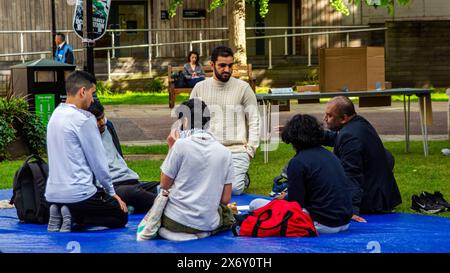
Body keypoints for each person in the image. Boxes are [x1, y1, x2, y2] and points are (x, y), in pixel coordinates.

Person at [45, 71, 128, 232]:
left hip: (52, 194)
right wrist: (112, 193)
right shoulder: (85, 119)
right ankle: (73, 214)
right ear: (83, 91)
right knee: (120, 215)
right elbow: (99, 163)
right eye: (92, 93)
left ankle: (62, 211)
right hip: (79, 194)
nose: (93, 99)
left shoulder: (55, 115)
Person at [250, 114, 353, 234]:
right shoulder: (330, 155)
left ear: (291, 138)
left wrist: (283, 199)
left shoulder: (298, 162)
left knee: (255, 204)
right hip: (344, 222)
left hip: (323, 223)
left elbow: (295, 205)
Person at [158, 98, 235, 241]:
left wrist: (171, 148)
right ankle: (204, 232)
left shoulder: (180, 146)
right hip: (207, 222)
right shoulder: (225, 152)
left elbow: (164, 184)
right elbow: (225, 199)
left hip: (175, 220)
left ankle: (170, 233)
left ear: (184, 121)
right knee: (227, 215)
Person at [190, 46, 260, 195]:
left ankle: (241, 178)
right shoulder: (199, 87)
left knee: (233, 189)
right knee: (199, 189)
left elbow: (254, 120)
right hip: (207, 150)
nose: (227, 69)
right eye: (222, 65)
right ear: (212, 65)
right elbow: (192, 122)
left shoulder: (243, 88)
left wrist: (250, 150)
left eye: (230, 65)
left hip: (236, 149)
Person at [322, 96, 402, 222]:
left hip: (372, 202)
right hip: (383, 193)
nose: (325, 119)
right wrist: (300, 132)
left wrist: (351, 210)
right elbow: (337, 139)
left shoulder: (350, 136)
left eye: (329, 116)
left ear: (343, 118)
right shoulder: (359, 123)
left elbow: (351, 175)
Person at [87, 99, 159, 214]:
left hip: (130, 180)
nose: (102, 122)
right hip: (111, 187)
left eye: (103, 117)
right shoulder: (82, 137)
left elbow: (119, 155)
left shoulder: (108, 126)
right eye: (97, 120)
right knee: (133, 193)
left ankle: (141, 204)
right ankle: (171, 206)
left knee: (161, 186)